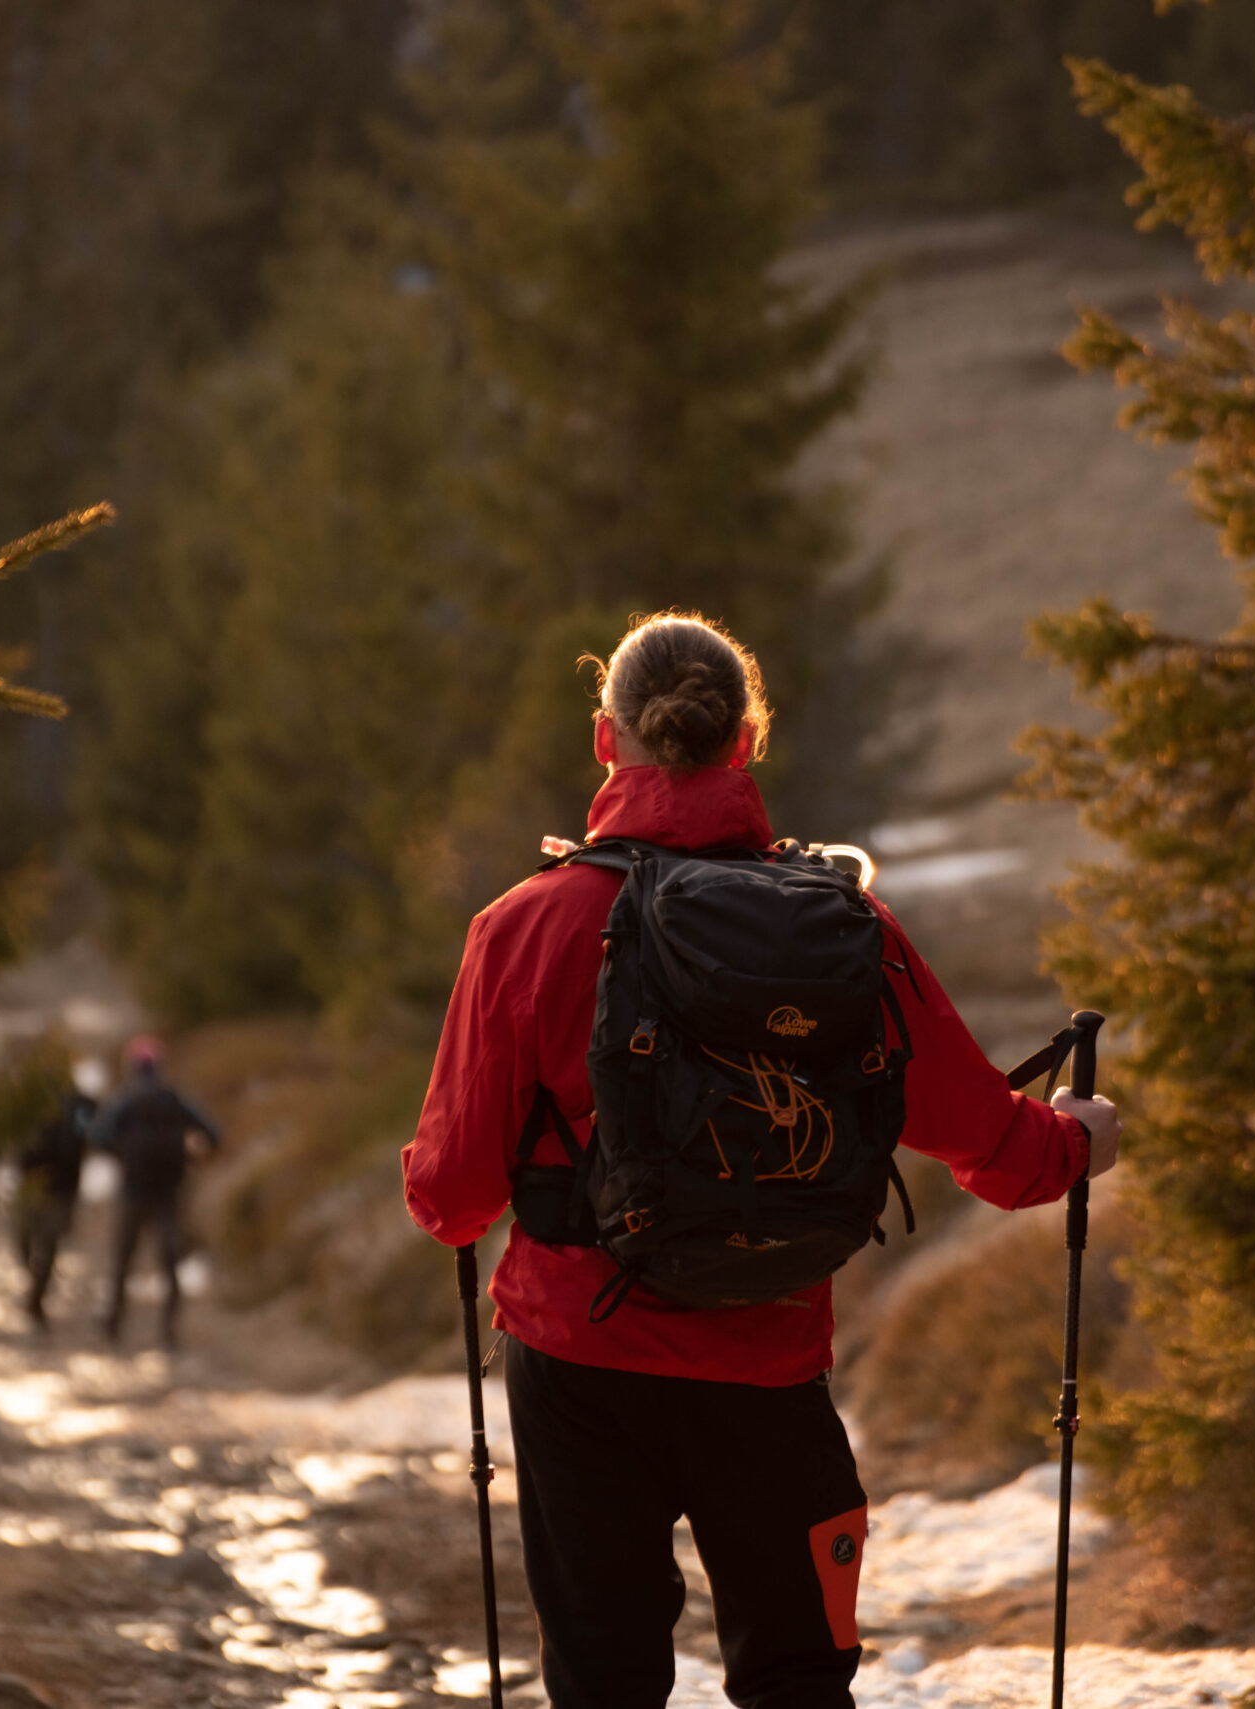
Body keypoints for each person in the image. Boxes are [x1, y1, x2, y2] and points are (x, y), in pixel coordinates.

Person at [402, 612, 1121, 1709]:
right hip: (768, 1360)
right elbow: (997, 1148)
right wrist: (1077, 1138)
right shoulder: (842, 926)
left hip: (578, 1359)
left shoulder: (523, 926)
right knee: (796, 1679)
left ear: (605, 741)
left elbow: (451, 1197)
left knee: (602, 1683)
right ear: (746, 741)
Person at [90, 1036, 222, 1346]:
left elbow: (98, 1136)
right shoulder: (176, 1099)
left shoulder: (124, 1100)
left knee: (123, 1258)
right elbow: (214, 1135)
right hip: (169, 1191)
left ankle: (113, 1323)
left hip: (133, 1190)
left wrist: (124, 1153)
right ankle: (169, 1331)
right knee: (169, 1261)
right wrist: (188, 1152)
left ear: (132, 1066)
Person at [14, 1063, 100, 1329]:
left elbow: (91, 1135)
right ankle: (36, 1291)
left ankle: (35, 1295)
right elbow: (90, 1137)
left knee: (35, 1240)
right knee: (39, 1243)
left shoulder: (77, 1105)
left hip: (47, 1185)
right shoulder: (80, 1106)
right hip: (51, 1185)